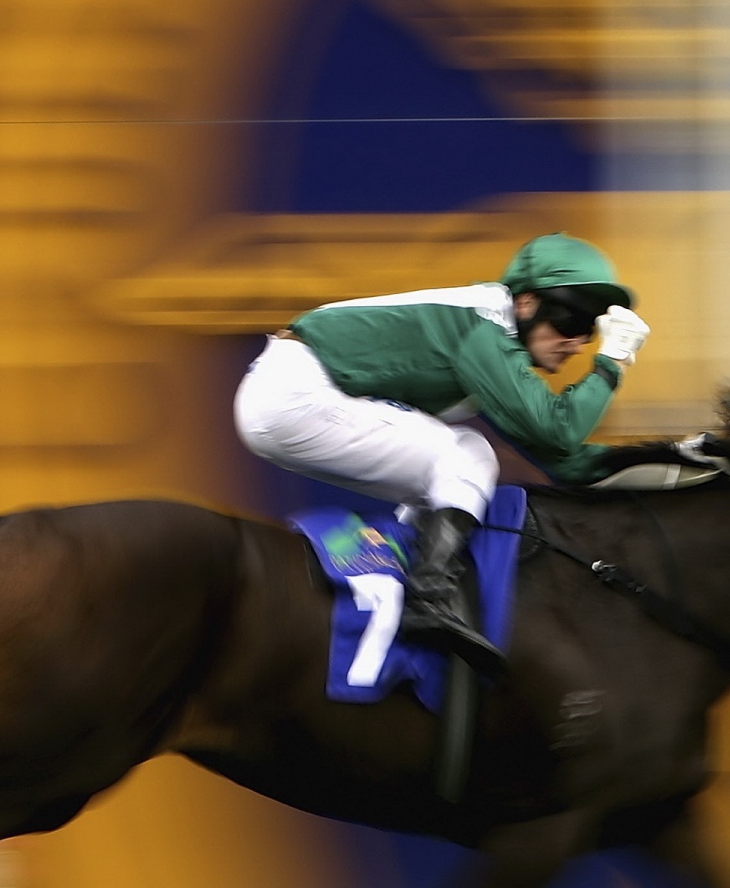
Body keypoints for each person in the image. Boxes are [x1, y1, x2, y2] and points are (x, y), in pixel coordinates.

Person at [234, 232, 650, 678]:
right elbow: (559, 430)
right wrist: (611, 361)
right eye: (573, 321)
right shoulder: (484, 328)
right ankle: (428, 596)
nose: (579, 342)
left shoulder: (490, 337)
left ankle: (405, 584)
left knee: (449, 474)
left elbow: (565, 460)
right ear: (526, 303)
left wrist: (669, 458)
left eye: (591, 331)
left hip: (288, 394)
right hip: (295, 395)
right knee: (467, 455)